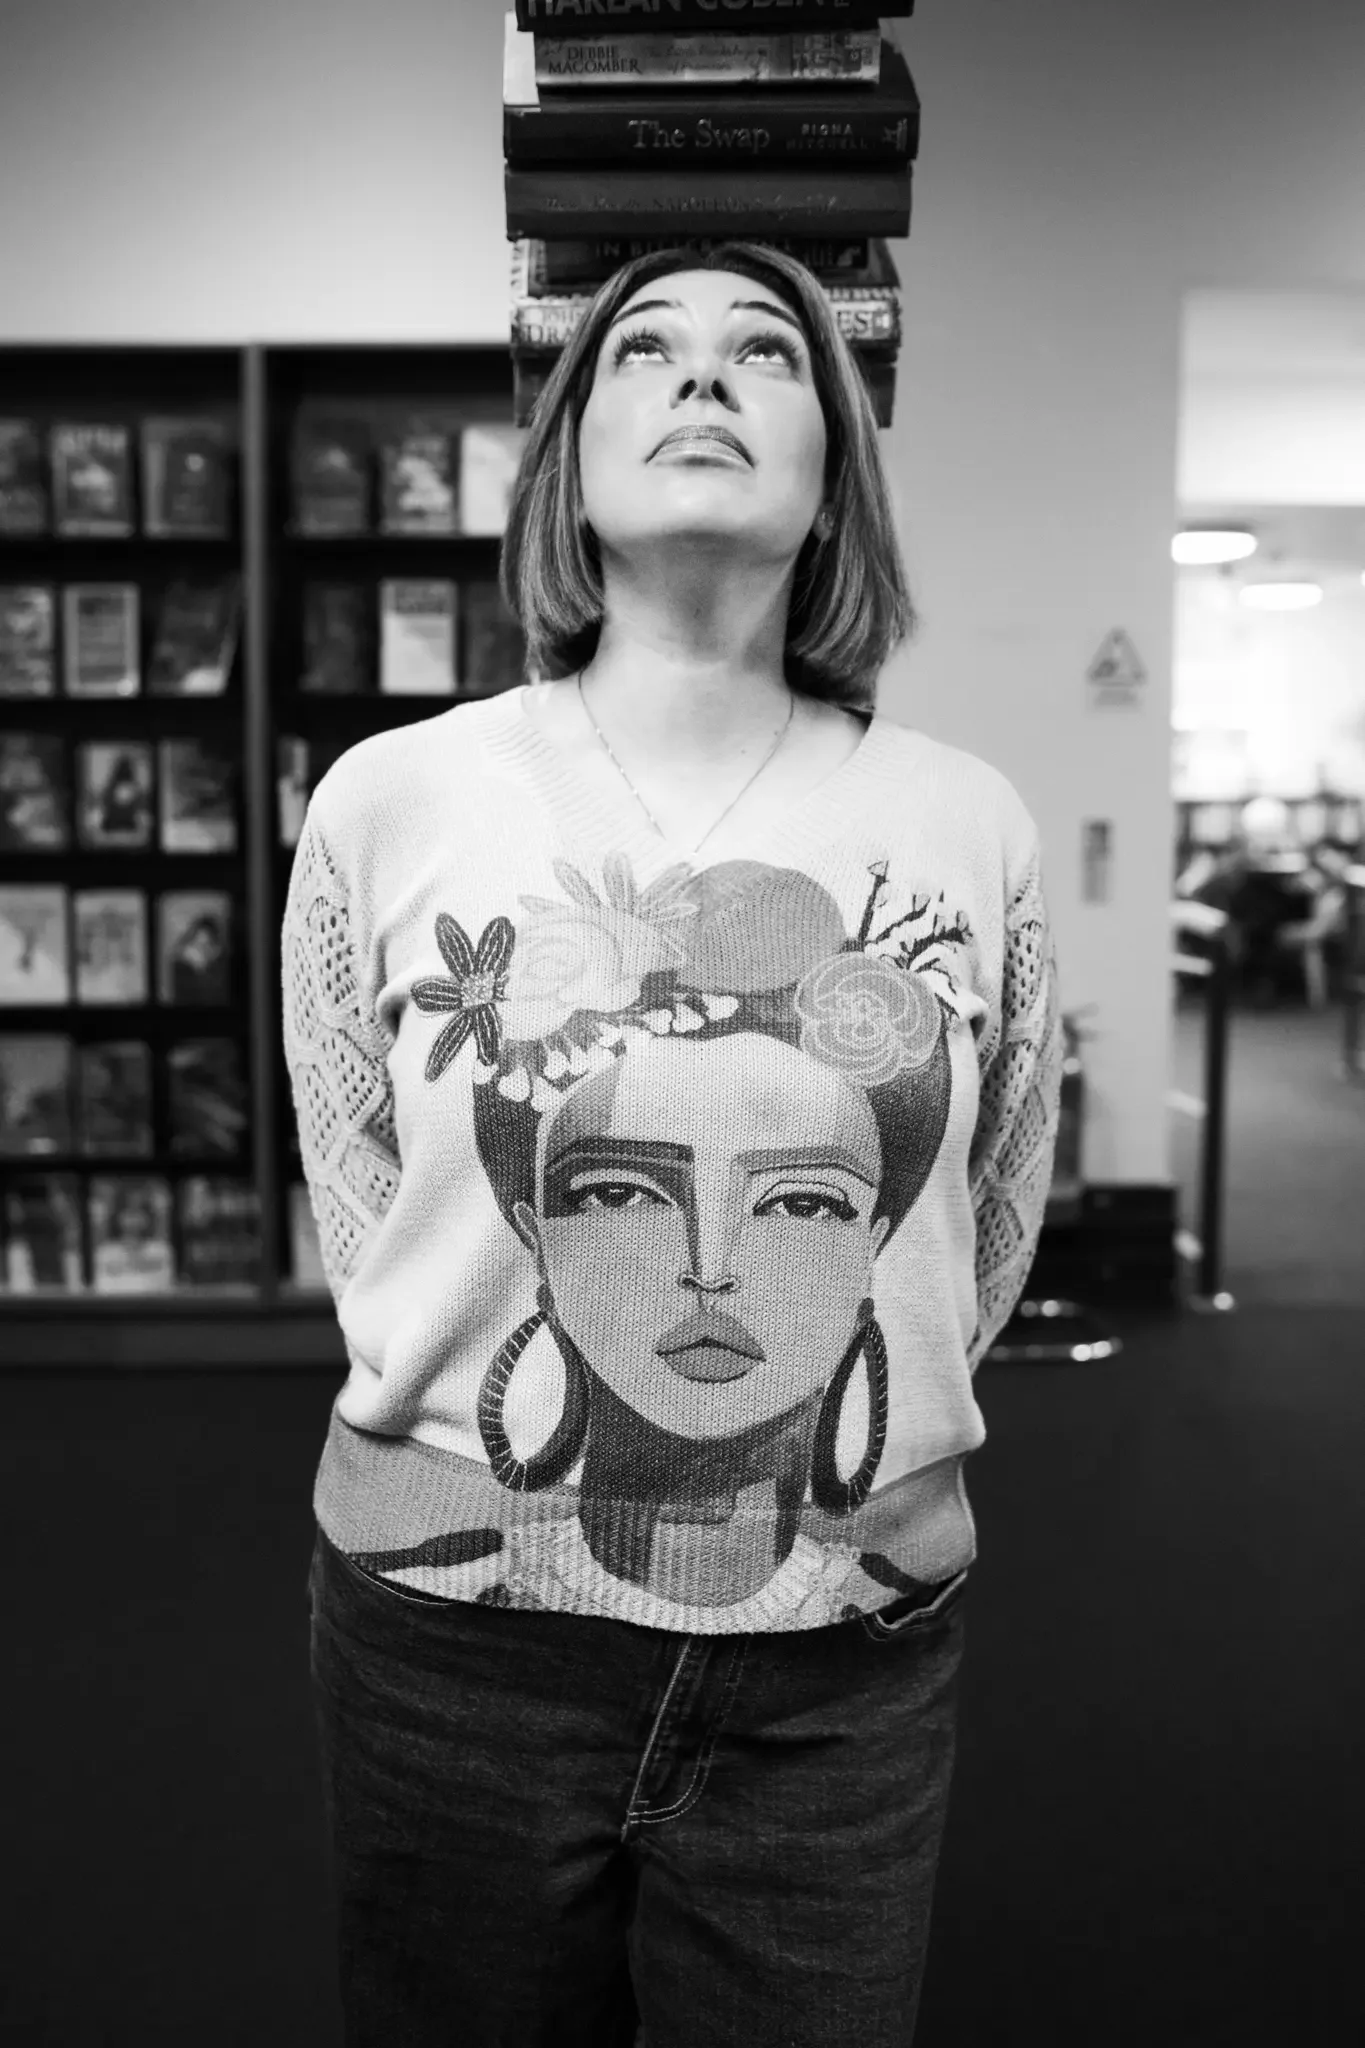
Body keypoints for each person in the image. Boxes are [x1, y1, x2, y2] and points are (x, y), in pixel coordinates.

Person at [283, 241, 1064, 2048]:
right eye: (643, 345)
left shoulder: (964, 821)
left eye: (764, 353)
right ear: (565, 460)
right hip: (449, 1645)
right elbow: (371, 1206)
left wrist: (826, 1435)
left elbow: (984, 1219)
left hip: (845, 1658)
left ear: (834, 468)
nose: (702, 376)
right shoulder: (394, 801)